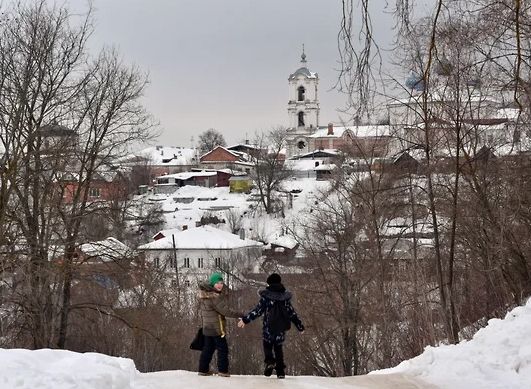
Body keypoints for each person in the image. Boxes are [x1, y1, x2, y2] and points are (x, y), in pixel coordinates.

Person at [238, 273, 304, 379]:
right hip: (281, 329)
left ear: (269, 283)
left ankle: (270, 362)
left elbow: (257, 311)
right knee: (278, 348)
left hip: (268, 328)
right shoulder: (285, 298)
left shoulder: (266, 297)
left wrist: (245, 320)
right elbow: (292, 313)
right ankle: (281, 371)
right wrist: (300, 326)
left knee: (267, 345)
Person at [198, 272, 242, 377]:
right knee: (223, 349)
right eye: (217, 283)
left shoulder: (204, 295)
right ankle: (223, 371)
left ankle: (202, 370)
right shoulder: (214, 297)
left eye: (221, 283)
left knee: (208, 348)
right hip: (216, 328)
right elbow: (226, 311)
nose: (220, 285)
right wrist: (240, 314)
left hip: (207, 327)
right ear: (212, 284)